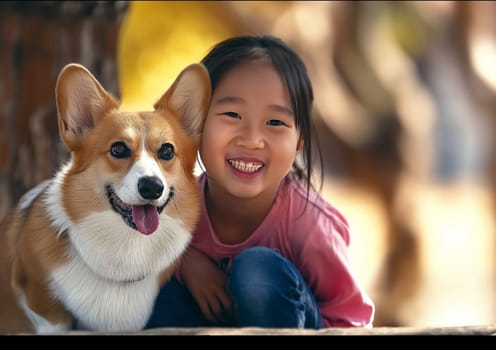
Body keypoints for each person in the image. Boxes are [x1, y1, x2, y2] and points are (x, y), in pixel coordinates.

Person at [145, 35, 375, 329]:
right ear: (194, 125)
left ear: (299, 141)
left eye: (275, 122)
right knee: (153, 291)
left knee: (256, 272)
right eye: (232, 114)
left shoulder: (309, 225)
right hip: (207, 321)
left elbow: (352, 319)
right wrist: (186, 262)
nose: (252, 140)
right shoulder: (175, 205)